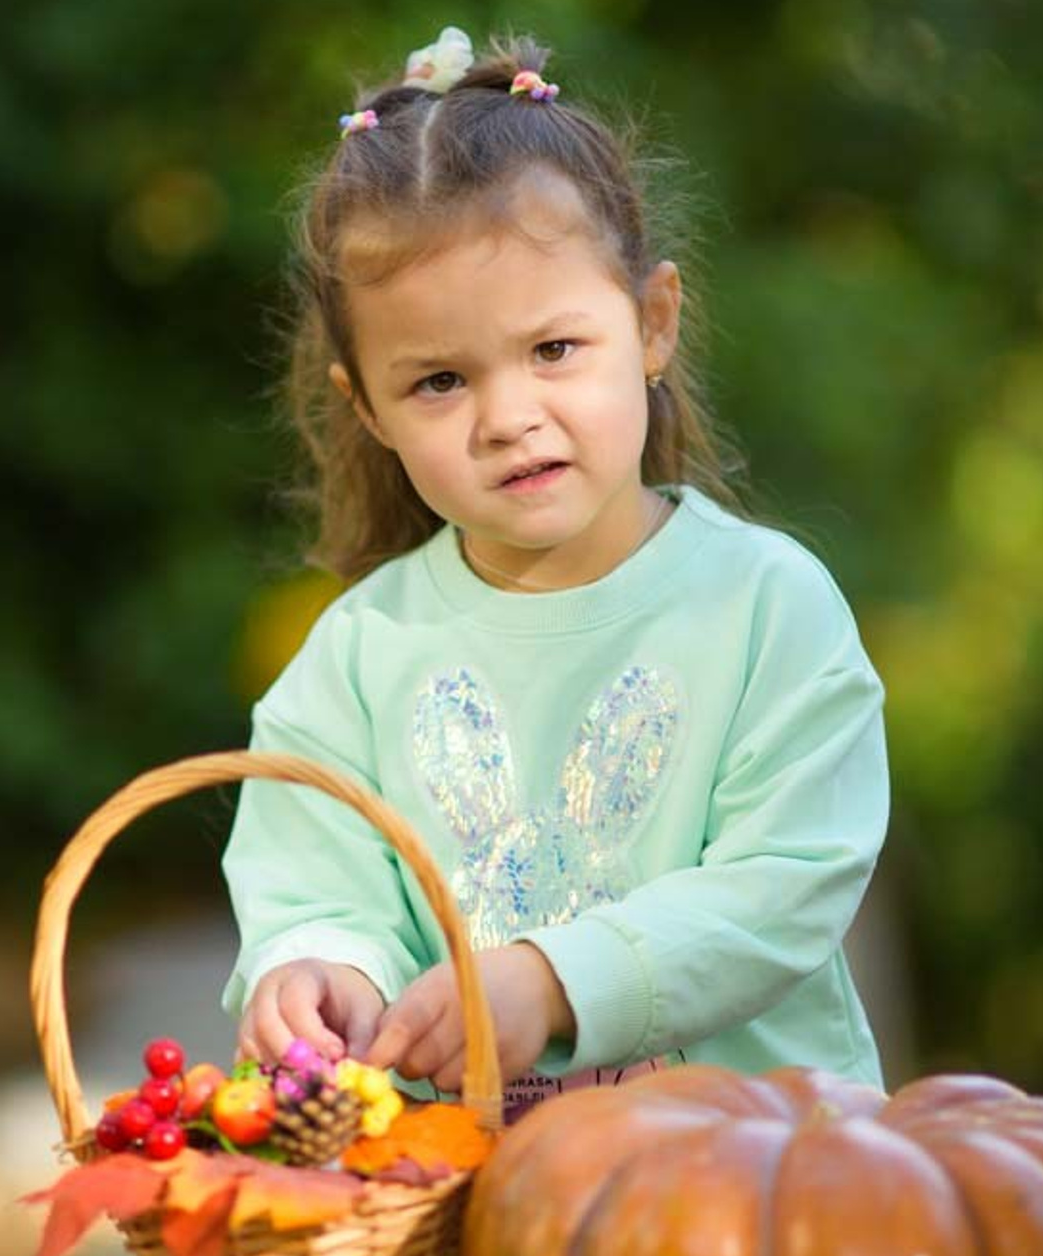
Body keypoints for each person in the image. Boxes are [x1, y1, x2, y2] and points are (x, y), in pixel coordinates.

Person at [221, 27, 889, 1117]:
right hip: (475, 1190)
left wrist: (550, 977)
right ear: (369, 410)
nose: (508, 416)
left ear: (651, 323)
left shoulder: (762, 608)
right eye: (439, 379)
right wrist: (323, 969)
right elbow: (315, 871)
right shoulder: (359, 653)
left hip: (762, 1172)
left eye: (552, 349)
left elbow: (786, 882)